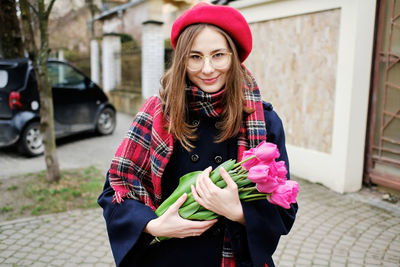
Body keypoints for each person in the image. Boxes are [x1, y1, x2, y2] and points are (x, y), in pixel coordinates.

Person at [98, 3, 298, 267]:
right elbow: (116, 189)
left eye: (218, 55)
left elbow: (284, 206)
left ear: (234, 57)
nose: (207, 69)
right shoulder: (157, 113)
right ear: (182, 60)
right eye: (195, 57)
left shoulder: (263, 120)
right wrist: (155, 225)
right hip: (167, 259)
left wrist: (238, 211)